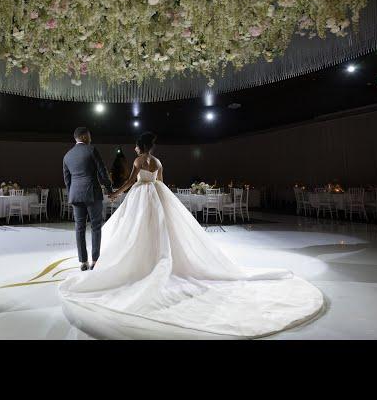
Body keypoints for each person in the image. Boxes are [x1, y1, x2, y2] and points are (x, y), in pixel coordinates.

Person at [59, 132, 324, 339]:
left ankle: (127, 261)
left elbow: (131, 181)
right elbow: (160, 181)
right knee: (160, 229)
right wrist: (152, 190)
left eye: (136, 146)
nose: (136, 149)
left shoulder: (139, 161)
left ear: (140, 147)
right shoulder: (158, 161)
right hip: (156, 195)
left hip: (141, 196)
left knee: (135, 229)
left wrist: (118, 192)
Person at [63, 127, 114, 272]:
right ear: (84, 137)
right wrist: (110, 190)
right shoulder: (91, 150)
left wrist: (72, 194)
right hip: (92, 193)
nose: (90, 138)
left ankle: (83, 262)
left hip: (75, 195)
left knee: (79, 228)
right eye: (89, 136)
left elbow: (67, 180)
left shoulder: (67, 156)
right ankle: (95, 260)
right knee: (96, 226)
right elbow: (102, 171)